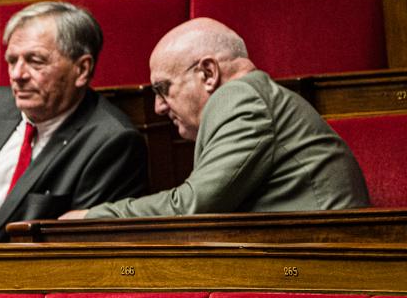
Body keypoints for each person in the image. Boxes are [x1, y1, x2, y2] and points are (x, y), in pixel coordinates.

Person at [65, 18, 369, 218]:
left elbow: (192, 207)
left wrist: (91, 217)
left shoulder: (241, 97)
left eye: (163, 89)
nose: (158, 107)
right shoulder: (251, 96)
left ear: (208, 73)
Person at [0, 1, 146, 243]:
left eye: (35, 61)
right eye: (12, 61)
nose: (17, 75)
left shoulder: (111, 142)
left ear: (82, 69)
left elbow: (76, 252)